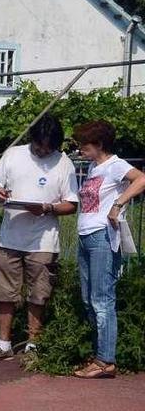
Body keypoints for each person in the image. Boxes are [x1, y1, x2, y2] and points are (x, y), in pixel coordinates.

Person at [0, 113, 79, 363]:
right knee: (5, 292)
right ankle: (4, 344)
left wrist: (48, 208)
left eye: (48, 148)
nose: (43, 152)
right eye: (38, 146)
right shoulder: (13, 154)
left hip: (43, 241)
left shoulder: (64, 163)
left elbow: (71, 203)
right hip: (10, 237)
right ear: (32, 139)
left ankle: (33, 345)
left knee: (39, 293)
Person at [71, 120, 145, 378]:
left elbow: (141, 179)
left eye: (85, 145)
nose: (81, 149)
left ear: (99, 144)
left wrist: (118, 203)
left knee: (101, 299)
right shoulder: (93, 167)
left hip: (102, 236)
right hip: (85, 236)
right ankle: (99, 353)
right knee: (88, 298)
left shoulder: (115, 165)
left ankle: (106, 360)